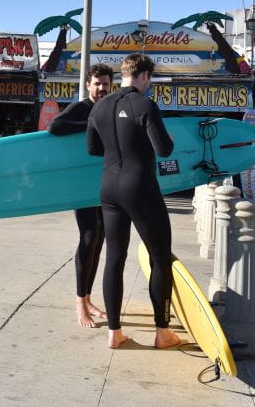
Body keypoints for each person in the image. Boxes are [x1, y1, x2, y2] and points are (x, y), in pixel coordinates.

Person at [87, 53, 180, 350]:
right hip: (139, 188)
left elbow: (92, 148)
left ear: (123, 74)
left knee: (114, 258)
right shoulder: (145, 104)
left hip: (108, 188)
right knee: (160, 258)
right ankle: (162, 332)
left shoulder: (99, 106)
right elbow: (164, 149)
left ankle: (114, 332)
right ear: (145, 77)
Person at [48, 63, 113, 328]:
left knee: (99, 237)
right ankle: (79, 302)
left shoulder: (109, 109)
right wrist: (90, 122)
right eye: (97, 83)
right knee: (88, 237)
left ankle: (87, 298)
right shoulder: (82, 107)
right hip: (81, 185)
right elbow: (55, 126)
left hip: (101, 183)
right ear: (88, 85)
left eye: (105, 84)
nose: (101, 88)